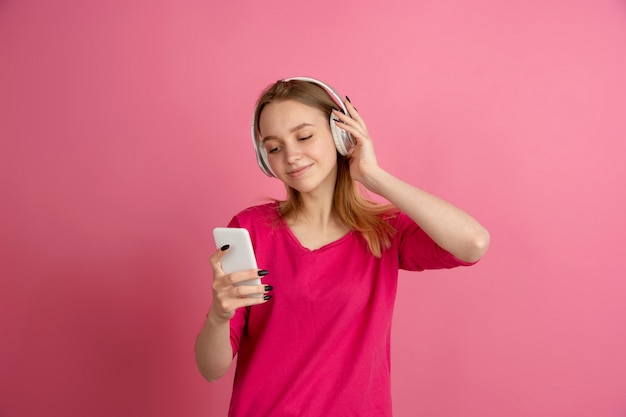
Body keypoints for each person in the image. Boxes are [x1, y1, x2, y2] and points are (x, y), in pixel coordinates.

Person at [195, 77, 490, 417]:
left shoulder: (383, 231)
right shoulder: (250, 229)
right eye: (274, 148)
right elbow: (210, 368)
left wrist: (373, 174)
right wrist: (220, 315)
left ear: (340, 134)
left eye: (304, 136)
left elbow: (473, 243)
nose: (291, 156)